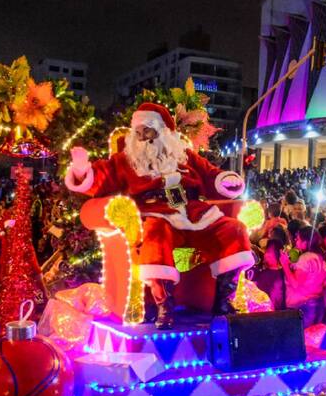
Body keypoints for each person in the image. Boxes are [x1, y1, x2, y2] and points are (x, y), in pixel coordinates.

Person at [65, 103, 254, 329]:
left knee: (234, 229)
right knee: (155, 235)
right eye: (138, 131)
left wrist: (226, 180)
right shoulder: (126, 160)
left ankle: (223, 303)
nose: (142, 137)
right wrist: (81, 171)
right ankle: (164, 305)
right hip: (157, 212)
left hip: (194, 213)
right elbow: (101, 178)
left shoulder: (185, 155)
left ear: (163, 131)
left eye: (147, 130)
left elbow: (210, 174)